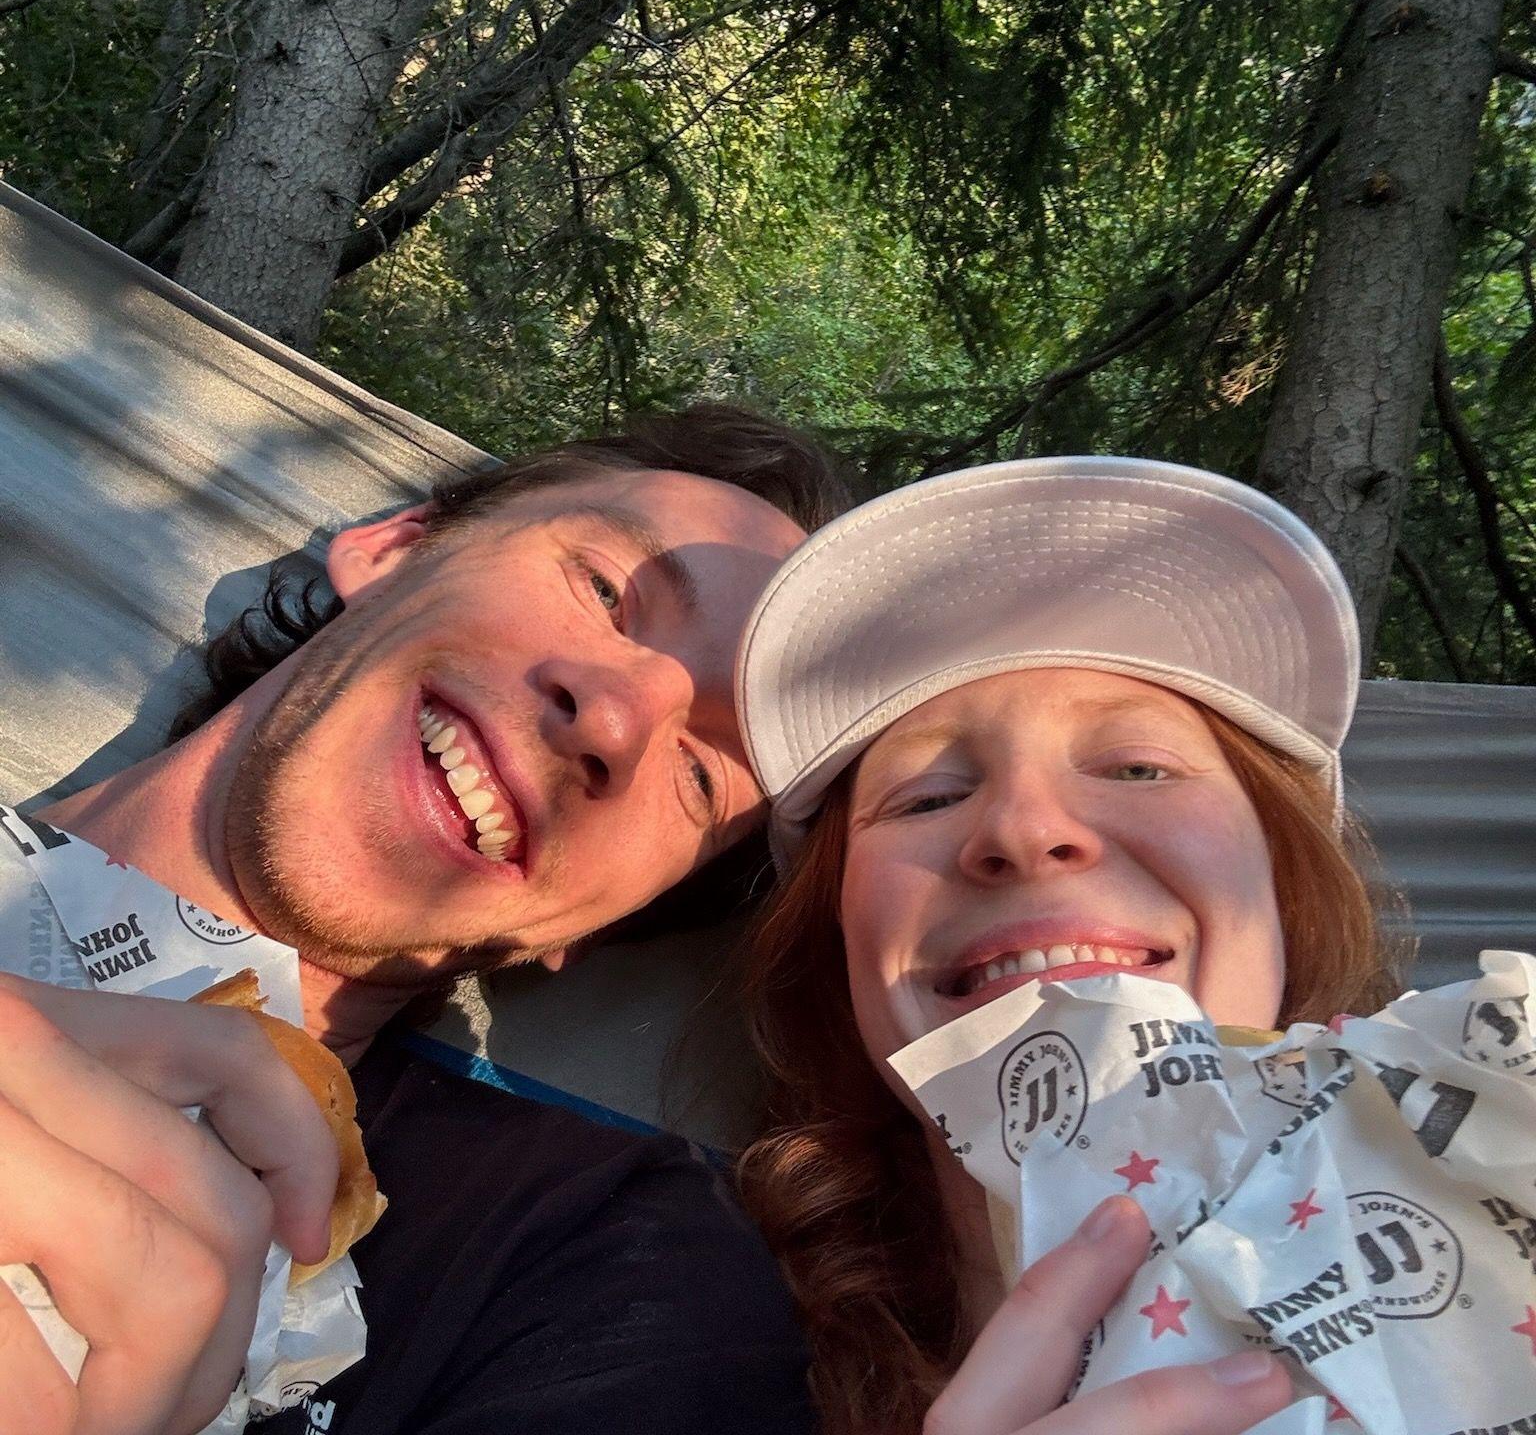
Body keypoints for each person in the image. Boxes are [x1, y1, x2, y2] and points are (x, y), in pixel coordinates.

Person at [1, 402, 849, 1435]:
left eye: (703, 775)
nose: (619, 719)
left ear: (599, 930)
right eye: (604, 591)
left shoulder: (599, 1267)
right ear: (395, 548)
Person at [731, 456, 1408, 1435]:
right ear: (835, 947)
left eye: (1138, 767)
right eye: (929, 796)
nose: (1022, 829)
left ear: (1287, 888)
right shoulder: (642, 1339)